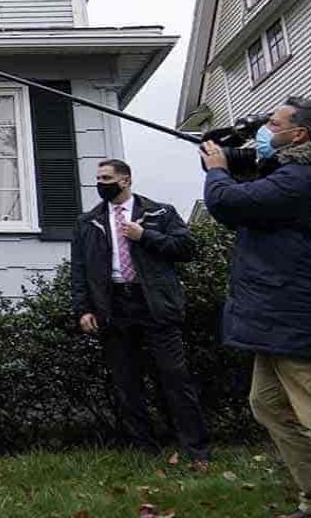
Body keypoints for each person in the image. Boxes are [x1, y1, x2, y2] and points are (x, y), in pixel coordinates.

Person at [203, 97, 311, 518]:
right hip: (276, 317)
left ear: (298, 134)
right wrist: (225, 157)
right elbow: (253, 194)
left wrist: (217, 171)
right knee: (268, 405)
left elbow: (230, 203)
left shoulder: (300, 179)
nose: (266, 128)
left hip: (294, 316)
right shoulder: (286, 174)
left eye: (274, 123)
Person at [71, 159, 211, 465]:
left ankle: (196, 449)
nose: (100, 183)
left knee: (174, 377)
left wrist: (144, 236)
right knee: (126, 382)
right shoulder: (88, 222)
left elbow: (187, 249)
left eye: (106, 177)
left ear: (125, 180)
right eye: (98, 178)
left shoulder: (160, 212)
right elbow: (79, 269)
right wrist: (83, 309)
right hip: (114, 304)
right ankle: (144, 449)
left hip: (154, 304)